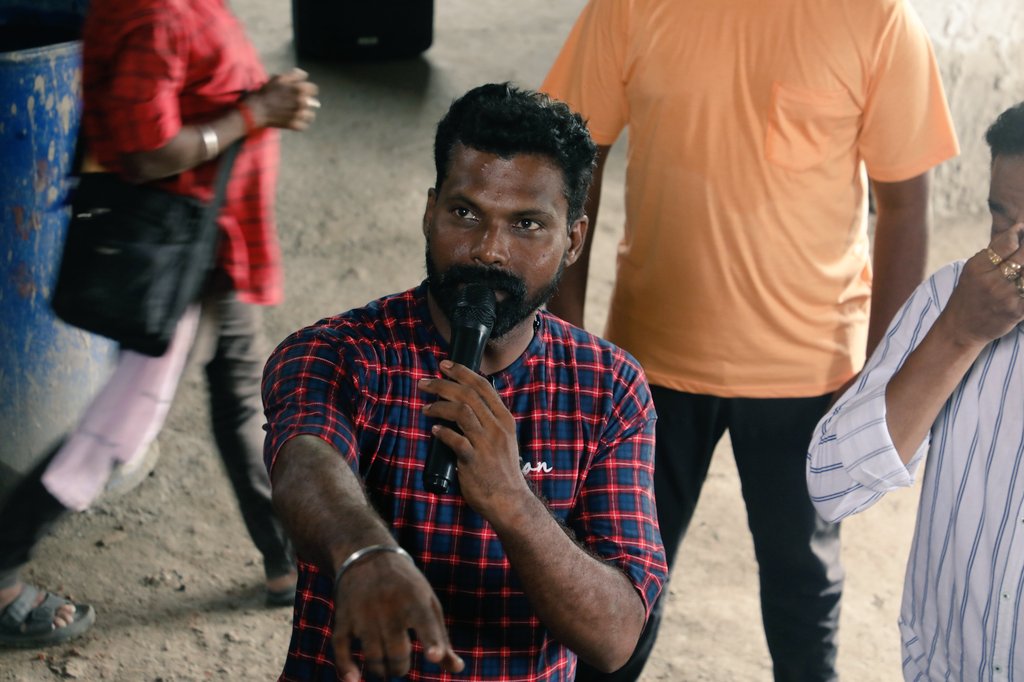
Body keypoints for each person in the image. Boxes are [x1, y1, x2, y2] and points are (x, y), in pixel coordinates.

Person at [540, 1, 961, 679]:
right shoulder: (630, 7)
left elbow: (905, 205)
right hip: (650, 363)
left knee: (802, 588)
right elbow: (569, 155)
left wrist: (882, 373)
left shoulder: (875, 18)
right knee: (617, 585)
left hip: (810, 370)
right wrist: (565, 344)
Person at [262, 83, 667, 681]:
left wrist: (512, 500)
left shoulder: (609, 386)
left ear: (573, 240)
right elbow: (304, 462)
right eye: (465, 213)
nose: (488, 251)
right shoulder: (338, 352)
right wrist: (365, 552)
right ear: (430, 212)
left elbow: (614, 638)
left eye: (527, 224)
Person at [0, 0, 319, 648]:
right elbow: (145, 152)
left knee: (240, 396)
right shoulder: (157, 16)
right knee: (115, 430)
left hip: (213, 244)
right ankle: (2, 572)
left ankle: (289, 562)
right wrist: (257, 112)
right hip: (178, 258)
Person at [807, 102, 1024, 680]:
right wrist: (957, 336)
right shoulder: (954, 299)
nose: (1014, 251)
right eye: (1002, 221)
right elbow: (831, 485)